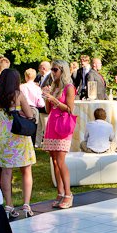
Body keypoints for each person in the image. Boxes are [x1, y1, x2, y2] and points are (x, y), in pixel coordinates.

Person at [0, 69, 36, 219]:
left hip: (4, 132)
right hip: (19, 132)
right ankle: (26, 204)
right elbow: (30, 115)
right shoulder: (18, 95)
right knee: (26, 169)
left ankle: (9, 205)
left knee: (6, 171)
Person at [43, 60, 77, 209]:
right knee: (54, 160)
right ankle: (60, 192)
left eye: (55, 69)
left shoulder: (69, 87)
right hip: (52, 124)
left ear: (63, 71)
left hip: (62, 126)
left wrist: (55, 100)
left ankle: (68, 194)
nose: (53, 72)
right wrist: (47, 98)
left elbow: (69, 109)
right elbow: (47, 110)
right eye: (52, 69)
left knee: (61, 160)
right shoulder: (54, 87)